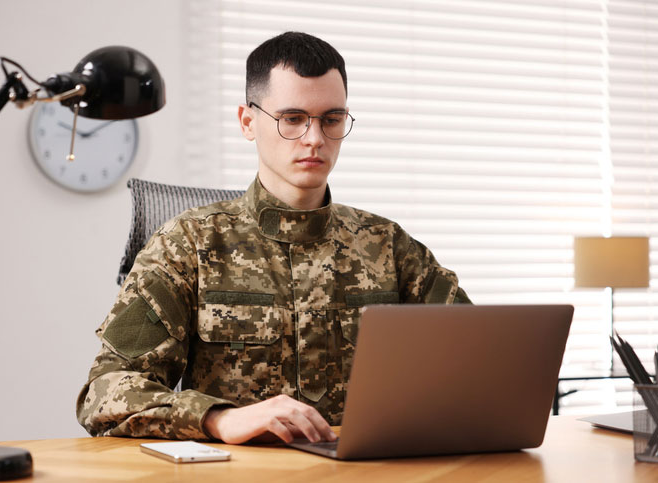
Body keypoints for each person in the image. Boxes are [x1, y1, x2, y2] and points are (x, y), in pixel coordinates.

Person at [76, 31, 470, 445]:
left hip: (366, 469)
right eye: (293, 119)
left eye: (331, 119)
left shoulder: (387, 246)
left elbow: (481, 355)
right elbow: (104, 394)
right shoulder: (187, 243)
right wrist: (218, 419)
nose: (315, 139)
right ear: (248, 122)